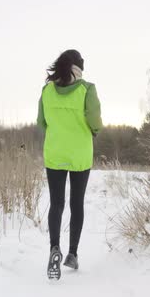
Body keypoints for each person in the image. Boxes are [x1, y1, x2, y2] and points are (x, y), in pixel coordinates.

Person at [36, 49, 103, 280]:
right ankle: (72, 253)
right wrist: (93, 131)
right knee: (76, 203)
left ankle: (54, 247)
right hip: (80, 154)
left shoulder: (47, 90)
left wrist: (56, 134)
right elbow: (95, 121)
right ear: (79, 67)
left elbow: (41, 122)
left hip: (55, 153)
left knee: (56, 203)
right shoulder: (87, 89)